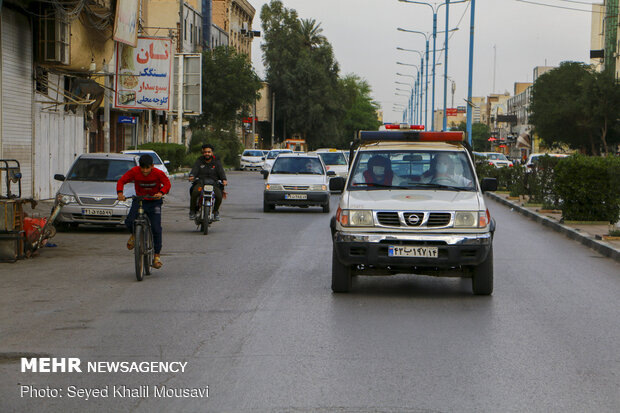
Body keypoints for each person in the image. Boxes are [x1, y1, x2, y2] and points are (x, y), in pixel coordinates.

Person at [117, 154, 171, 269]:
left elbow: (167, 184)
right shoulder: (135, 171)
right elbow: (121, 181)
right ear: (139, 166)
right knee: (129, 221)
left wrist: (161, 193)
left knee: (156, 228)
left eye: (147, 168)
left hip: (154, 201)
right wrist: (120, 193)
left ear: (152, 166)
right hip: (140, 201)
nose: (145, 171)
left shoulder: (158, 173)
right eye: (143, 168)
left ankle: (156, 256)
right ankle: (134, 235)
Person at [189, 144, 228, 221]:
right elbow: (194, 170)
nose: (207, 154)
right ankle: (192, 211)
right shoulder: (199, 161)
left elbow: (221, 172)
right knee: (195, 192)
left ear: (212, 153)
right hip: (201, 183)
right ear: (202, 152)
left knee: (219, 196)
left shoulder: (216, 162)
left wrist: (224, 180)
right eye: (205, 152)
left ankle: (215, 211)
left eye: (209, 152)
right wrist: (192, 176)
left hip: (213, 184)